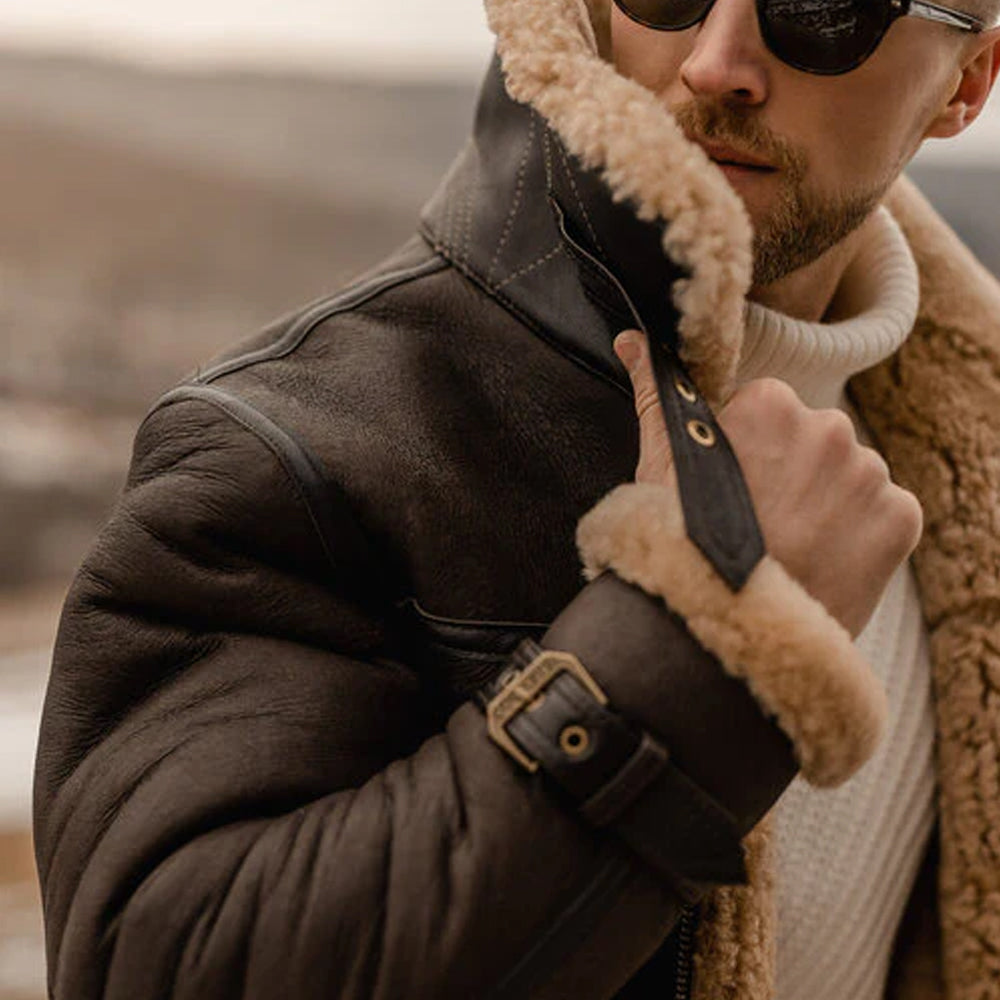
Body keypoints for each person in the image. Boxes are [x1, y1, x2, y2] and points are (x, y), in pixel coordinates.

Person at [32, 0, 1000, 996]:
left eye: (822, 9)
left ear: (965, 84)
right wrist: (709, 649)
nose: (717, 64)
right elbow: (159, 970)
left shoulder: (975, 483)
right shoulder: (297, 446)